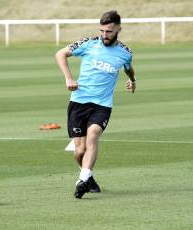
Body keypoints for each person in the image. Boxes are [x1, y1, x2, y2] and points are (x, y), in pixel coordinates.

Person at [55, 10, 136, 199]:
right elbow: (60, 54)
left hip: (102, 104)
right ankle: (87, 177)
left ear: (119, 29)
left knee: (93, 135)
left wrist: (133, 80)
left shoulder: (125, 52)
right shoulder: (88, 43)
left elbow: (128, 68)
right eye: (102, 31)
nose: (105, 35)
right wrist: (68, 78)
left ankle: (81, 180)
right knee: (80, 151)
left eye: (109, 31)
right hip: (78, 102)